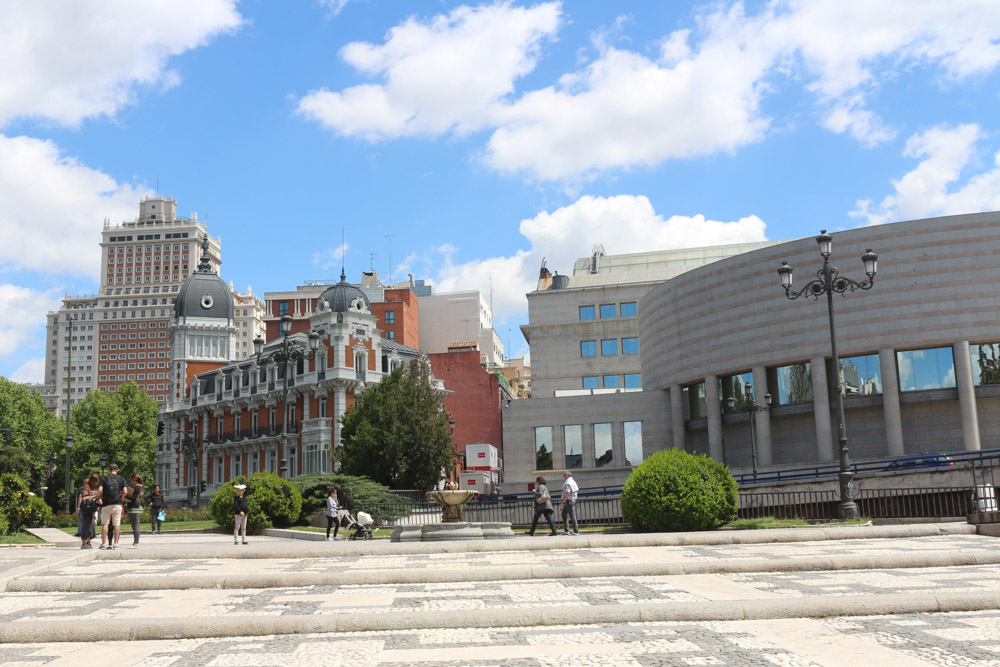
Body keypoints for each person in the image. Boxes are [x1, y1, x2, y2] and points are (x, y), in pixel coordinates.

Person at [97, 463, 127, 550]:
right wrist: (122, 498)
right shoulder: (121, 478)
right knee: (116, 524)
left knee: (105, 524)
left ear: (109, 470)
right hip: (117, 504)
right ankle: (116, 543)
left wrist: (101, 498)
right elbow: (125, 491)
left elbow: (99, 491)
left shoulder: (104, 478)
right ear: (117, 470)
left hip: (106, 504)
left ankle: (103, 544)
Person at [79, 474, 100, 549]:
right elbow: (84, 498)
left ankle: (86, 542)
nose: (97, 483)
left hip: (92, 509)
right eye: (96, 481)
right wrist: (94, 496)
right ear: (93, 481)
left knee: (90, 525)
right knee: (88, 526)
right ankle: (86, 542)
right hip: (86, 509)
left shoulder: (94, 488)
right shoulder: (86, 487)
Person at [125, 474, 144, 548]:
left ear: (134, 479)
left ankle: (136, 542)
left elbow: (133, 498)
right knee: (136, 525)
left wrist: (125, 495)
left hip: (134, 508)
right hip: (139, 507)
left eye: (131, 480)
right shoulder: (141, 487)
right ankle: (136, 541)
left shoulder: (136, 488)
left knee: (135, 526)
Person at [560, 471, 580, 535]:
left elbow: (567, 493)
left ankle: (576, 531)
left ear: (567, 475)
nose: (563, 477)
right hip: (571, 500)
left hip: (569, 501)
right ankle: (566, 530)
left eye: (564, 475)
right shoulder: (572, 481)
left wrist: (563, 502)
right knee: (564, 514)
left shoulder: (568, 483)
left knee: (572, 515)